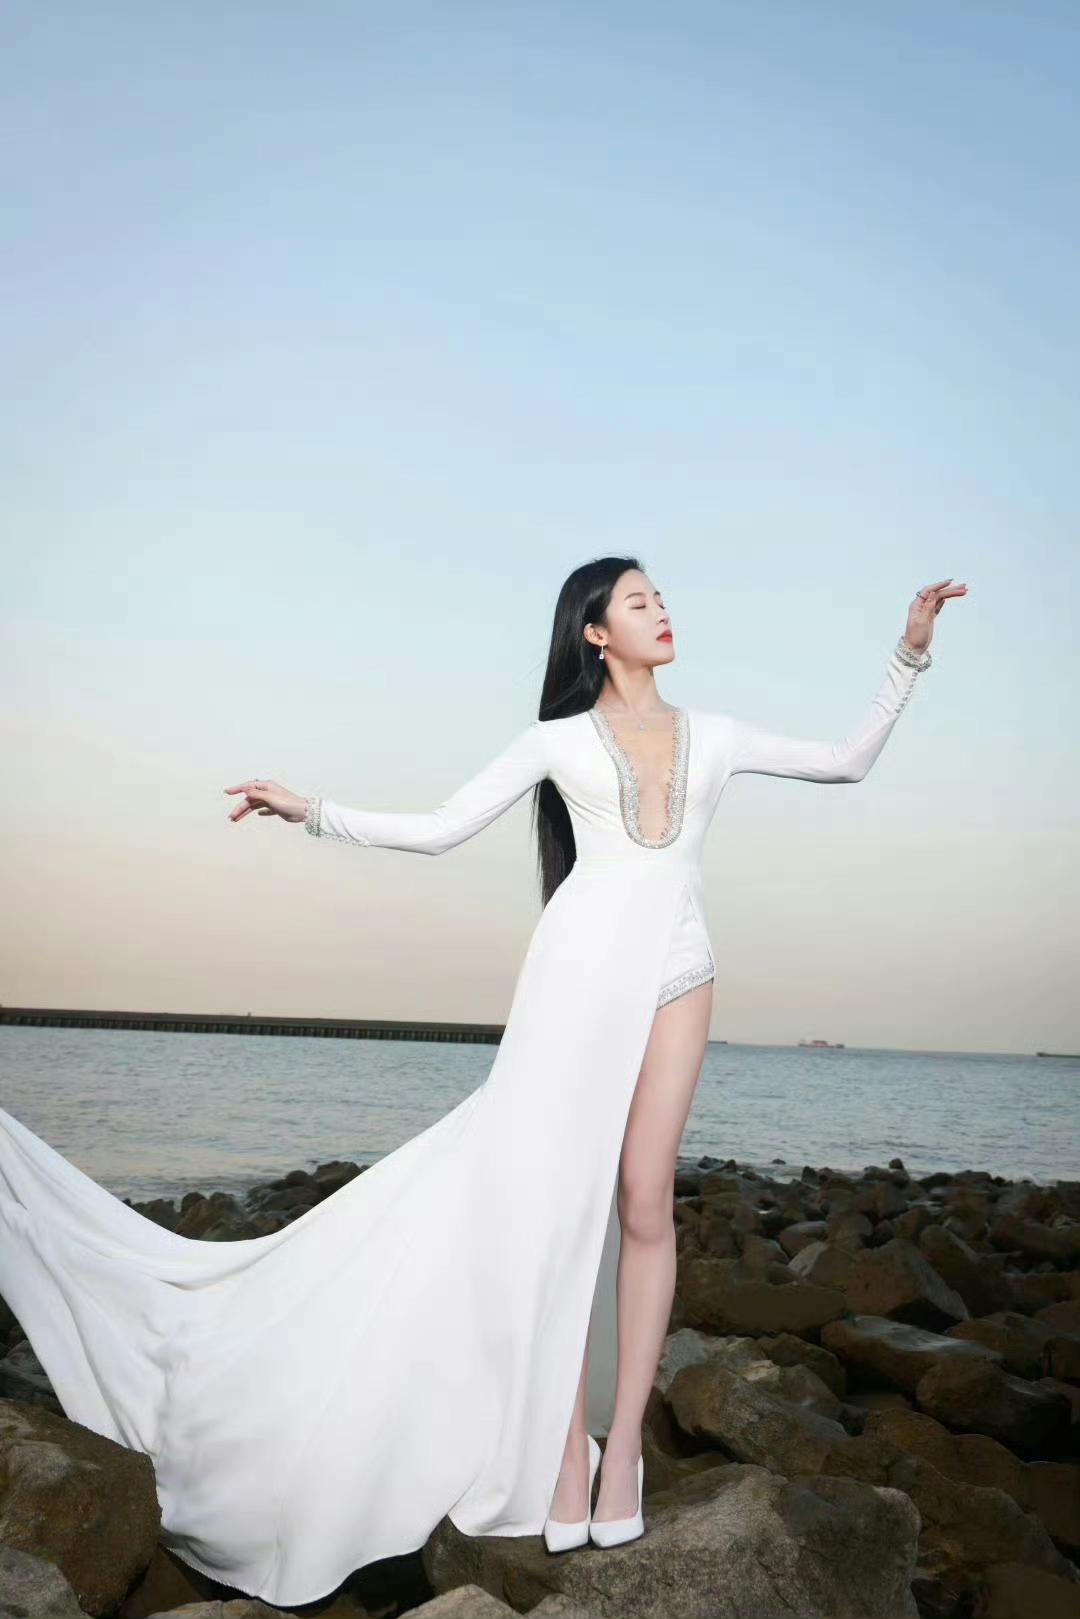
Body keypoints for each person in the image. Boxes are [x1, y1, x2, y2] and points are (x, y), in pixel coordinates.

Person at [0, 558, 966, 1605]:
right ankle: (561, 1452)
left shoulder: (716, 734)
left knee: (645, 1198)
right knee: (561, 1211)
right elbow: (438, 828)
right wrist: (311, 808)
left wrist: (908, 652)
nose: (661, 610)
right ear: (595, 631)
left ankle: (623, 1449)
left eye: (660, 597)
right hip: (573, 980)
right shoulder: (556, 742)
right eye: (639, 600)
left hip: (681, 973)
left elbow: (847, 760)